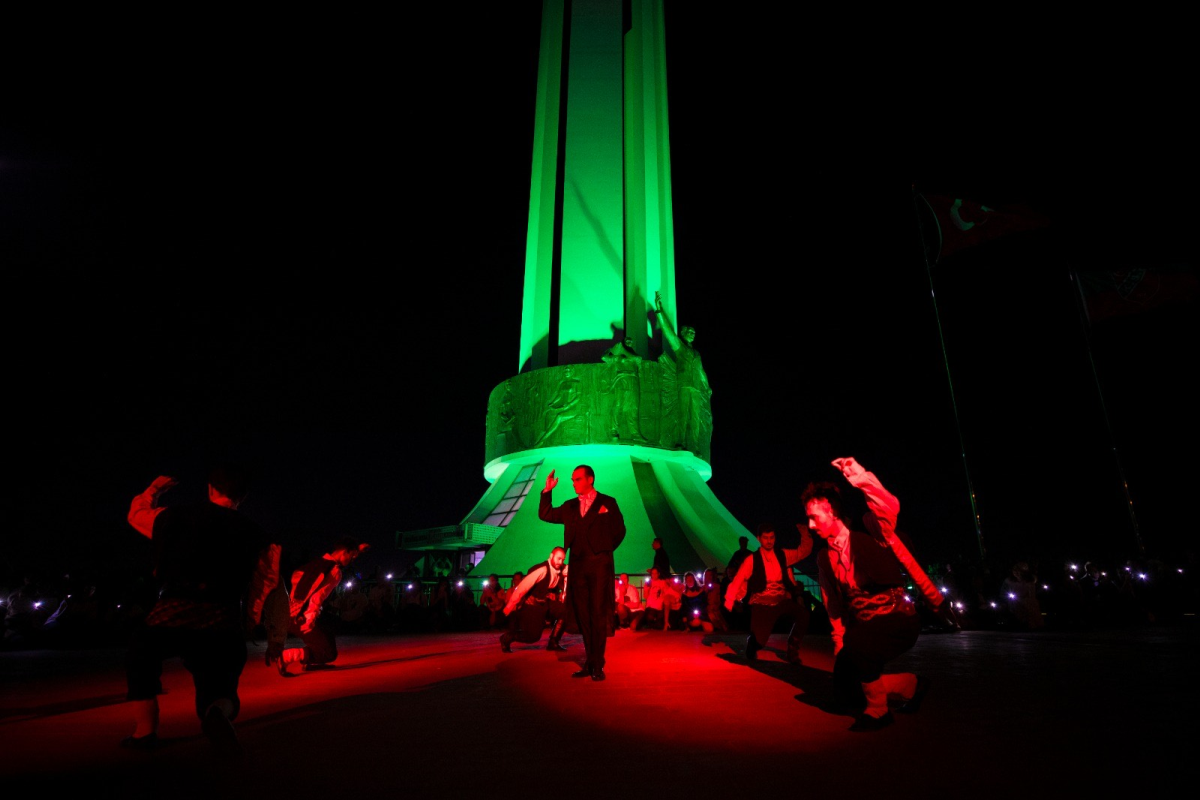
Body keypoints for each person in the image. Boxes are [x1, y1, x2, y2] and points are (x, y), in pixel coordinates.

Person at [122, 467, 281, 755]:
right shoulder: (261, 538)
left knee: (140, 659)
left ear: (210, 489)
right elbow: (264, 583)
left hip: (173, 610)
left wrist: (154, 490)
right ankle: (215, 712)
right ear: (242, 497)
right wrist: (249, 620)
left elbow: (136, 515)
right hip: (222, 616)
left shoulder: (172, 517)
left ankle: (144, 731)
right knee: (220, 682)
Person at [804, 457, 929, 732]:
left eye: (814, 517)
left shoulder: (872, 534)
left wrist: (857, 475)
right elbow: (833, 606)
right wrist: (840, 648)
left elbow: (889, 505)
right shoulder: (825, 559)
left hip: (898, 620)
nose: (811, 526)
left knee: (859, 644)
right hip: (864, 628)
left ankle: (879, 710)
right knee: (844, 691)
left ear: (833, 512)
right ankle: (909, 685)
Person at [538, 465, 626, 681]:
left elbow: (620, 530)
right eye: (573, 479)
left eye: (577, 479)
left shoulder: (608, 502)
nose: (573, 482)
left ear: (590, 479)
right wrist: (547, 491)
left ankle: (597, 664)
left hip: (599, 564)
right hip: (577, 565)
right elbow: (545, 514)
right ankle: (590, 661)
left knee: (597, 613)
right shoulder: (569, 506)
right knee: (584, 615)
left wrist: (603, 550)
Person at [274, 537, 369, 677]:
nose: (352, 560)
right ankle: (287, 656)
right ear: (345, 551)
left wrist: (357, 549)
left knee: (327, 635)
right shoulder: (334, 571)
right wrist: (308, 619)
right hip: (302, 618)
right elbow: (317, 596)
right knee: (329, 654)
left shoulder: (317, 564)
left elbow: (298, 579)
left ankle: (311, 659)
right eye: (352, 555)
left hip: (291, 613)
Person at [723, 522, 813, 663]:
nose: (769, 541)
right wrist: (730, 600)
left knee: (804, 615)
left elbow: (802, 552)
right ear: (759, 538)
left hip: (781, 600)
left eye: (772, 537)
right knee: (760, 642)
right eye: (766, 538)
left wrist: (805, 534)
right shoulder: (752, 559)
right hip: (762, 603)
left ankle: (792, 649)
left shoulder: (782, 555)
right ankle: (752, 643)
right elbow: (739, 578)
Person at [653, 290, 712, 454]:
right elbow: (668, 332)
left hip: (696, 389)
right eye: (689, 332)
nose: (692, 334)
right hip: (684, 386)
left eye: (694, 333)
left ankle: (694, 445)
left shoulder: (696, 354)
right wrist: (659, 311)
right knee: (683, 416)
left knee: (695, 419)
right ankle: (679, 442)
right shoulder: (680, 348)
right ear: (683, 333)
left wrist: (707, 386)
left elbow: (701, 372)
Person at [500, 547, 569, 652]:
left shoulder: (561, 569)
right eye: (558, 558)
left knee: (565, 611)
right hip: (532, 606)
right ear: (551, 556)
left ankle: (553, 642)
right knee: (533, 637)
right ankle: (508, 637)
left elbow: (570, 574)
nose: (560, 562)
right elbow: (523, 587)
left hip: (546, 604)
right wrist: (508, 608)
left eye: (563, 559)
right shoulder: (542, 570)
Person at [642, 567, 681, 631]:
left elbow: (668, 591)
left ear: (658, 574)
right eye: (652, 573)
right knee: (650, 617)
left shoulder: (662, 582)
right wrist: (647, 588)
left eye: (655, 573)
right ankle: (650, 624)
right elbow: (645, 596)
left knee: (660, 625)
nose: (654, 575)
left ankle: (653, 625)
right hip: (650, 606)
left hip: (659, 607)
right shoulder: (648, 583)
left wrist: (677, 596)